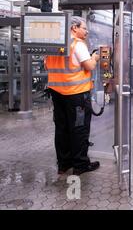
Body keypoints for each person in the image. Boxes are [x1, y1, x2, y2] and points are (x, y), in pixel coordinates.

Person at [45, 16, 100, 175]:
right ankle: (80, 164)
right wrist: (95, 57)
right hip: (76, 95)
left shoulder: (53, 45)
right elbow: (89, 66)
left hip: (57, 94)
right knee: (79, 129)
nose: (86, 31)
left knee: (61, 129)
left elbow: (47, 64)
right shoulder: (77, 45)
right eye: (84, 28)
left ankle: (63, 164)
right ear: (74, 28)